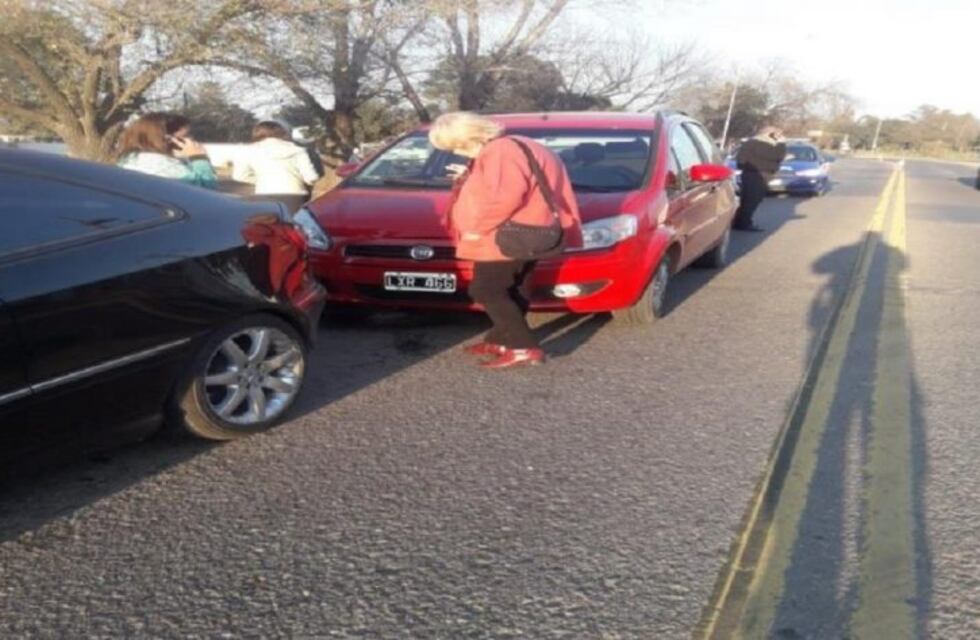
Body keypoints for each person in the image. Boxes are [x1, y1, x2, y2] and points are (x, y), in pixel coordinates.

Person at [429, 112, 583, 370]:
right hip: (529, 230)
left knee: (486, 289)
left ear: (470, 136)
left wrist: (477, 228)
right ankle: (502, 339)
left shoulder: (500, 151)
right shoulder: (518, 144)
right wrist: (469, 176)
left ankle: (523, 347)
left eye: (456, 145)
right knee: (514, 286)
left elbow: (504, 196)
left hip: (504, 234)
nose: (456, 151)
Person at [233, 120, 322, 212]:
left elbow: (239, 176)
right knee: (291, 224)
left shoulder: (248, 151)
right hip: (294, 195)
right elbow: (311, 177)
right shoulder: (298, 150)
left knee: (267, 224)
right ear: (281, 132)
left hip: (264, 193)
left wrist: (261, 180)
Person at [116, 113, 217, 188]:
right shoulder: (157, 163)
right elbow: (204, 192)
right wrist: (199, 158)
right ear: (167, 138)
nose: (190, 140)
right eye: (185, 136)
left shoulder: (131, 159)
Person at [733, 126, 786, 231]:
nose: (779, 136)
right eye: (777, 134)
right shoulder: (769, 146)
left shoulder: (749, 143)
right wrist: (782, 143)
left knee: (747, 199)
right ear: (770, 134)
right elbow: (779, 156)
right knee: (753, 200)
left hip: (748, 174)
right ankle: (744, 223)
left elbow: (740, 160)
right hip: (760, 175)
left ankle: (740, 221)